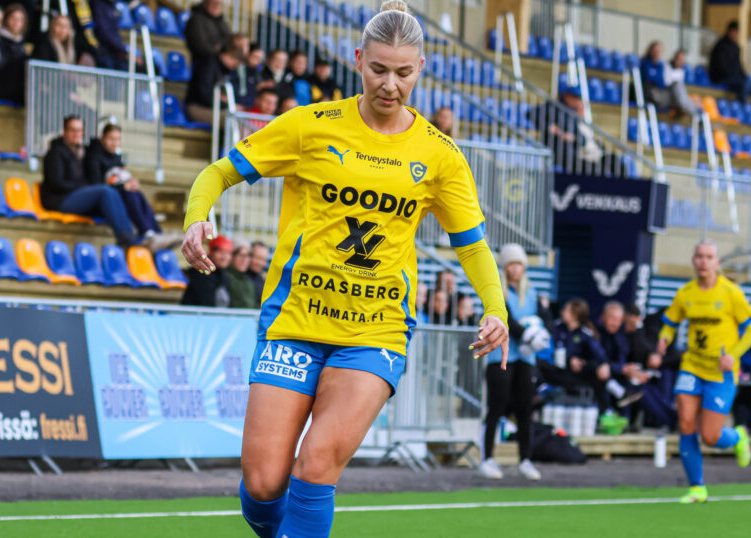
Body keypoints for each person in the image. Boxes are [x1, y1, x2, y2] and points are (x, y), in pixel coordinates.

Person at [179, 2, 509, 535]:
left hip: (374, 331)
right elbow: (218, 172)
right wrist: (198, 217)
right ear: (358, 60)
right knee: (263, 483)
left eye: (403, 72)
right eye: (378, 69)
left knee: (316, 466)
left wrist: (495, 307)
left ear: (421, 69)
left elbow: (471, 245)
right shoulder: (310, 125)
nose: (390, 84)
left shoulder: (440, 154)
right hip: (294, 321)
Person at [657, 240, 751, 504]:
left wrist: (733, 355)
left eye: (709, 257)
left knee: (710, 436)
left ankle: (738, 437)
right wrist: (664, 338)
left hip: (721, 372)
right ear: (693, 260)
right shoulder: (685, 293)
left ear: (717, 262)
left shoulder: (730, 293)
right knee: (686, 423)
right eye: (699, 256)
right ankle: (697, 488)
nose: (703, 261)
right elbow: (669, 323)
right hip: (692, 365)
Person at [479, 243, 549, 481]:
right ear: (505, 267)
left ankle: (526, 459)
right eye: (511, 264)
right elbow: (506, 318)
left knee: (525, 409)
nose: (516, 269)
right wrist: (527, 334)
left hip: (525, 357)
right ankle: (487, 458)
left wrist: (542, 335)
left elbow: (546, 318)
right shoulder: (498, 291)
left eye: (519, 264)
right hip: (500, 355)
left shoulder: (533, 293)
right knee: (496, 407)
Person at [41, 116, 144, 248]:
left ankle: (141, 233)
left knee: (118, 193)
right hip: (60, 200)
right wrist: (83, 187)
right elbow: (57, 184)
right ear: (64, 131)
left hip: (76, 196)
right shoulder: (55, 152)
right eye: (72, 130)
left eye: (79, 130)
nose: (76, 134)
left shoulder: (82, 151)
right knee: (105, 191)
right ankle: (126, 237)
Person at [83, 123, 181, 251]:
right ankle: (147, 232)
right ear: (102, 138)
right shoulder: (93, 156)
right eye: (111, 139)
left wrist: (129, 183)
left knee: (135, 193)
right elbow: (97, 186)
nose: (114, 143)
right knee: (130, 194)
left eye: (117, 139)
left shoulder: (116, 157)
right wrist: (123, 186)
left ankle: (156, 232)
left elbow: (118, 179)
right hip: (103, 203)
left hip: (117, 196)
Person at [542, 298, 634, 415]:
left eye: (566, 309)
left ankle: (608, 410)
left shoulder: (585, 334)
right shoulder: (557, 328)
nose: (562, 312)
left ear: (574, 315)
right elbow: (548, 349)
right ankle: (617, 396)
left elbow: (600, 356)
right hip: (554, 370)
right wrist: (569, 359)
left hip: (576, 374)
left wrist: (583, 362)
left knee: (598, 369)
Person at [623, 305, 678, 430]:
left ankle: (669, 421)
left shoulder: (668, 329)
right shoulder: (627, 333)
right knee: (641, 389)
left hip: (641, 371)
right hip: (624, 373)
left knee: (660, 379)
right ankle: (672, 421)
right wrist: (626, 369)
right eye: (631, 323)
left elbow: (669, 357)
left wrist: (656, 358)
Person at [185, 38, 244, 125]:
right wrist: (226, 104)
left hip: (212, 107)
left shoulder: (222, 68)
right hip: (197, 107)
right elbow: (205, 95)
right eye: (235, 65)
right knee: (233, 121)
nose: (233, 68)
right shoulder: (208, 65)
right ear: (230, 56)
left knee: (238, 118)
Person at [707, 21, 751, 104]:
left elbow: (739, 66)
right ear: (729, 31)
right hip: (722, 78)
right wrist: (735, 76)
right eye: (734, 31)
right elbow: (721, 67)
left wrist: (743, 76)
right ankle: (741, 106)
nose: (736, 34)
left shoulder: (736, 47)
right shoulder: (720, 46)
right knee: (744, 85)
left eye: (737, 32)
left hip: (734, 78)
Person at [640, 42, 699, 117]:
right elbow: (655, 80)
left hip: (663, 93)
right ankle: (695, 114)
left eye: (659, 51)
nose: (657, 53)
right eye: (655, 51)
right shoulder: (646, 63)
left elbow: (661, 82)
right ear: (650, 51)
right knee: (677, 87)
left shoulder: (660, 66)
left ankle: (693, 111)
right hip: (653, 94)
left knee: (688, 98)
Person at [182, 236, 233, 307]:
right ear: (210, 252)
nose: (224, 257)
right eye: (220, 252)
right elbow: (208, 305)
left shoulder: (223, 276)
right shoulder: (202, 273)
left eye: (228, 253)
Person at [30, 12, 96, 66]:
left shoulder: (75, 44)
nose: (62, 30)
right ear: (52, 26)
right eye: (59, 25)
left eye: (66, 26)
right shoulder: (43, 44)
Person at [185, 0, 231, 65]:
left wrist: (220, 46)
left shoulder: (220, 20)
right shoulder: (197, 19)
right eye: (214, 3)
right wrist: (219, 48)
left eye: (219, 3)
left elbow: (229, 38)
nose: (217, 6)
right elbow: (201, 46)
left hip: (220, 58)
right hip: (204, 61)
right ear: (205, 3)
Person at [227, 241, 257, 308]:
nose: (244, 260)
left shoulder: (248, 281)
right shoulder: (226, 277)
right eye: (241, 255)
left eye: (248, 256)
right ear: (232, 256)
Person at [246, 241, 268, 305]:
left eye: (263, 259)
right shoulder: (240, 278)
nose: (260, 263)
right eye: (257, 258)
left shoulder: (261, 279)